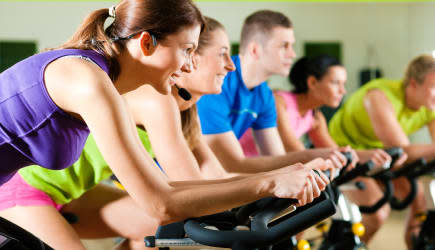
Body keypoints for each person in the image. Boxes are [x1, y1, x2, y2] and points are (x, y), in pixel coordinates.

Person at [0, 13, 329, 250]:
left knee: (154, 228)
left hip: (65, 193)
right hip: (24, 193)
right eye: (188, 50)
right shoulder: (95, 84)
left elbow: (202, 184)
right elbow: (165, 201)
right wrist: (271, 182)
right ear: (146, 43)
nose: (190, 64)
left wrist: (280, 182)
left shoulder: (120, 87)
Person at [197, 10, 355, 175]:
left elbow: (277, 159)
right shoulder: (217, 84)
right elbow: (233, 164)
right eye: (284, 46)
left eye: (291, 46)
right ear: (255, 50)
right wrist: (313, 155)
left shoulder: (264, 95)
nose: (292, 54)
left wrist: (321, 157)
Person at [329, 54, 435, 249]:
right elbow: (402, 153)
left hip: (381, 157)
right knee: (378, 212)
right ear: (413, 83)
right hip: (345, 154)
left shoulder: (429, 105)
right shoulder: (378, 96)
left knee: (420, 201)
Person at [240, 55, 393, 167]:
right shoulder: (279, 102)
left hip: (265, 170)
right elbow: (293, 150)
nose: (343, 91)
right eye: (335, 83)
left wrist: (370, 155)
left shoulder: (315, 117)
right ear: (312, 82)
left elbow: (333, 151)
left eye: (343, 84)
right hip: (240, 167)